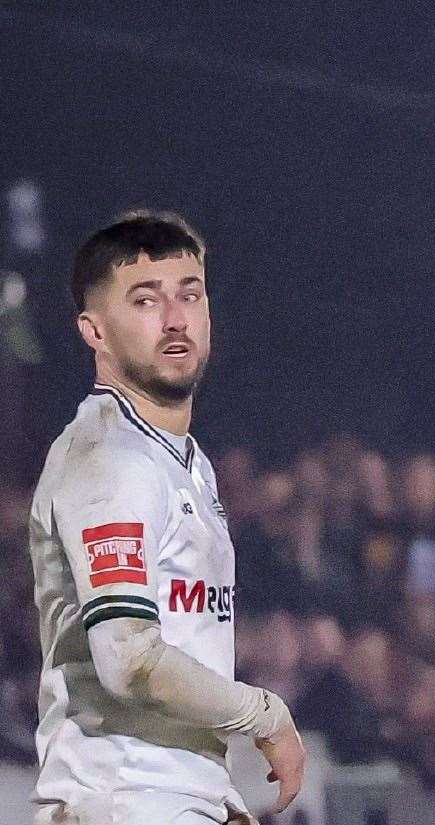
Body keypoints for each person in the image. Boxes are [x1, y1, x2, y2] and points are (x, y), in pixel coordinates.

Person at [27, 211, 304, 824]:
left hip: (165, 798)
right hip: (123, 799)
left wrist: (214, 795)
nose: (175, 319)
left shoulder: (184, 461)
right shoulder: (110, 459)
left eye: (190, 294)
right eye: (145, 300)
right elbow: (128, 658)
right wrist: (264, 714)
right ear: (93, 331)